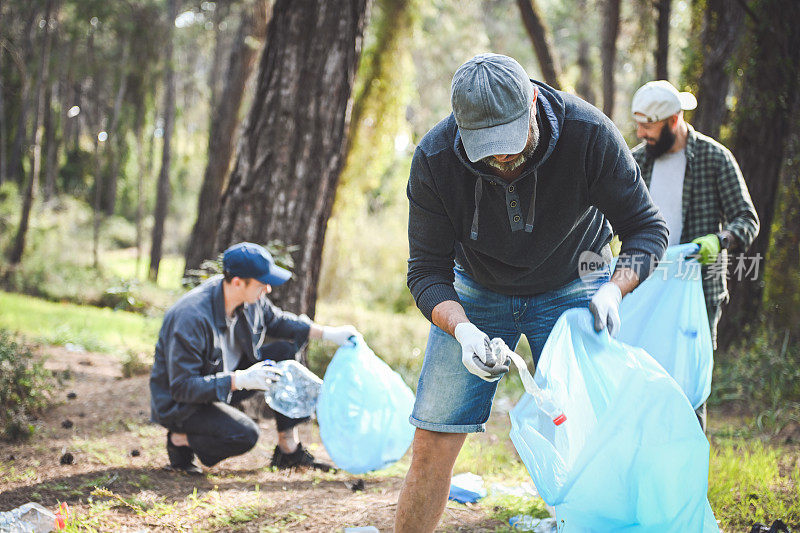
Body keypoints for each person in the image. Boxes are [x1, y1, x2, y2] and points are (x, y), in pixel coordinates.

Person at [395, 53, 669, 532]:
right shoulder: (435, 159)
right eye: (487, 145)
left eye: (509, 138)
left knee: (589, 438)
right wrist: (461, 331)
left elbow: (646, 228)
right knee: (432, 441)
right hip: (475, 294)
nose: (501, 156)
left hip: (573, 285)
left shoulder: (589, 134)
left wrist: (612, 292)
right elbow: (426, 271)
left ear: (534, 102)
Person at [149, 242, 360, 474]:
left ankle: (288, 449)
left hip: (222, 379)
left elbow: (277, 321)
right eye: (262, 283)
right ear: (238, 282)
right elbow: (182, 387)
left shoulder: (249, 299)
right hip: (182, 403)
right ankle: (180, 440)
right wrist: (239, 380)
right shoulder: (191, 318)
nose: (268, 289)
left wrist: (328, 333)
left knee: (284, 353)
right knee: (245, 435)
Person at [630, 80, 759, 429]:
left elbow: (747, 219)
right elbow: (610, 219)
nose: (641, 133)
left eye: (649, 126)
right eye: (638, 124)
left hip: (697, 294)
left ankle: (685, 475)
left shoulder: (714, 159)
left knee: (689, 387)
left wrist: (721, 241)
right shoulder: (636, 162)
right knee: (643, 381)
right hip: (646, 291)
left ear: (674, 120)